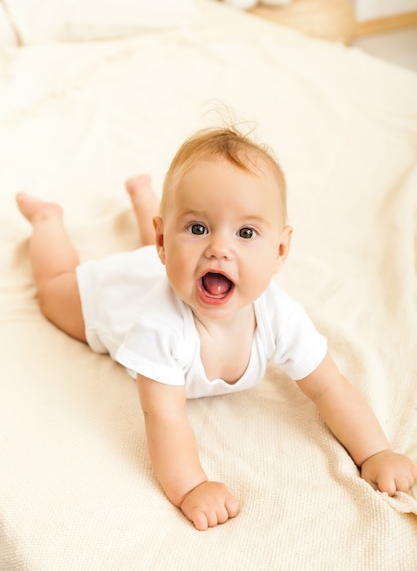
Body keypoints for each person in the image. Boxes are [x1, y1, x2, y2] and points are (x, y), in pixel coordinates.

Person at [16, 126, 417, 531]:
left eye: (245, 233)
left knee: (176, 258)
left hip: (162, 264)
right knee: (54, 290)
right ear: (163, 239)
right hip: (119, 295)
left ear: (280, 250)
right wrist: (192, 487)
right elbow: (163, 416)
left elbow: (330, 386)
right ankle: (48, 220)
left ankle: (145, 199)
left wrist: (375, 453)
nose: (219, 248)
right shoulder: (159, 327)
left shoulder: (279, 314)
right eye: (198, 228)